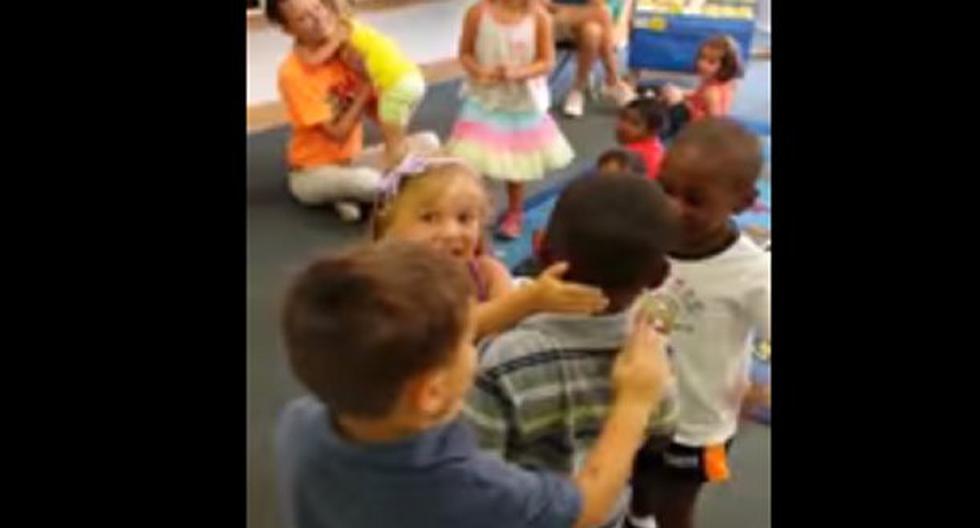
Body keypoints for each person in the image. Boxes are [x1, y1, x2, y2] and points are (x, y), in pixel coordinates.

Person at [276, 239, 675, 528]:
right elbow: (586, 509)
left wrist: (527, 299)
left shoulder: (301, 423)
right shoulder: (468, 486)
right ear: (430, 394)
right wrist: (635, 402)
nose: (477, 343)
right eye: (469, 341)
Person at [464, 174, 682, 528]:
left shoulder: (504, 358)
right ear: (658, 277)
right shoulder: (652, 352)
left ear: (540, 247)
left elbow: (475, 472)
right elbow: (660, 433)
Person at [627, 118, 769, 528]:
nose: (673, 207)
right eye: (665, 189)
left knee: (677, 504)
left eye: (695, 199)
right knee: (636, 485)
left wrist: (761, 389)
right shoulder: (646, 236)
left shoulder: (752, 272)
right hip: (635, 407)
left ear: (742, 203)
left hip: (699, 424)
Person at [373, 155, 608, 340]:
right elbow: (450, 331)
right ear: (388, 229)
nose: (451, 232)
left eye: (464, 218)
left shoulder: (486, 273)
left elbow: (510, 324)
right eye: (429, 218)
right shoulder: (392, 284)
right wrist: (529, 300)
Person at [266, 0, 440, 222]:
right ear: (288, 29)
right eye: (304, 18)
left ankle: (346, 194)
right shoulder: (293, 73)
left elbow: (379, 116)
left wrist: (395, 90)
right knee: (368, 182)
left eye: (318, 8)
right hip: (312, 171)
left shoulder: (346, 53)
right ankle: (353, 190)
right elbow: (338, 134)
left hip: (353, 159)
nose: (318, 19)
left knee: (429, 142)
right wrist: (366, 85)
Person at [448, 0, 574, 240]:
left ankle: (515, 212)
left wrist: (519, 72)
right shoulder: (478, 12)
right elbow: (465, 53)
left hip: (521, 101)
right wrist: (478, 71)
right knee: (471, 157)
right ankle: (475, 207)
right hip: (483, 97)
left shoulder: (539, 18)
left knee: (516, 162)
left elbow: (546, 61)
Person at [294, 0, 429, 167]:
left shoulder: (343, 30)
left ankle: (397, 166)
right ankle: (400, 158)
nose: (318, 18)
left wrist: (298, 47)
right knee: (405, 134)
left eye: (319, 9)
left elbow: (313, 60)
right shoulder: (356, 31)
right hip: (412, 78)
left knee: (393, 140)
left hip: (397, 85)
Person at [545, 0, 637, 117]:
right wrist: (569, 10)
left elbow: (597, 3)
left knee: (593, 32)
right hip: (545, 18)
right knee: (602, 14)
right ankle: (613, 80)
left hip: (580, 19)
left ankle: (577, 89)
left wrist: (578, 12)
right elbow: (540, 4)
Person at [658, 34, 744, 139]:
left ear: (725, 66)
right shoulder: (721, 82)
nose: (702, 64)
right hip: (698, 119)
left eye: (711, 62)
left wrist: (679, 104)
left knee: (669, 109)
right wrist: (681, 93)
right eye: (702, 58)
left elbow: (714, 123)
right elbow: (699, 95)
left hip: (700, 130)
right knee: (670, 95)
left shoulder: (712, 91)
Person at [614, 96, 667, 179]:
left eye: (634, 123)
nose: (622, 126)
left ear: (652, 131)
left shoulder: (633, 157)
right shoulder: (655, 146)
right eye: (623, 118)